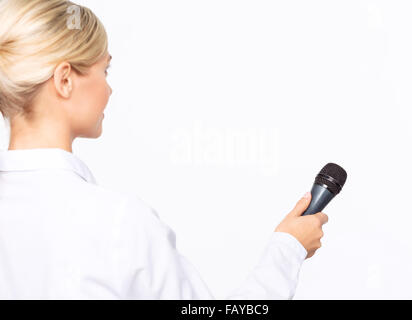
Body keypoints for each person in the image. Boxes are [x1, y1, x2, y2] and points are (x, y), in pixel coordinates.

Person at [0, 0, 328, 299]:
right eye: (105, 70)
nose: (109, 88)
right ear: (65, 80)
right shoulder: (117, 222)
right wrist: (288, 247)